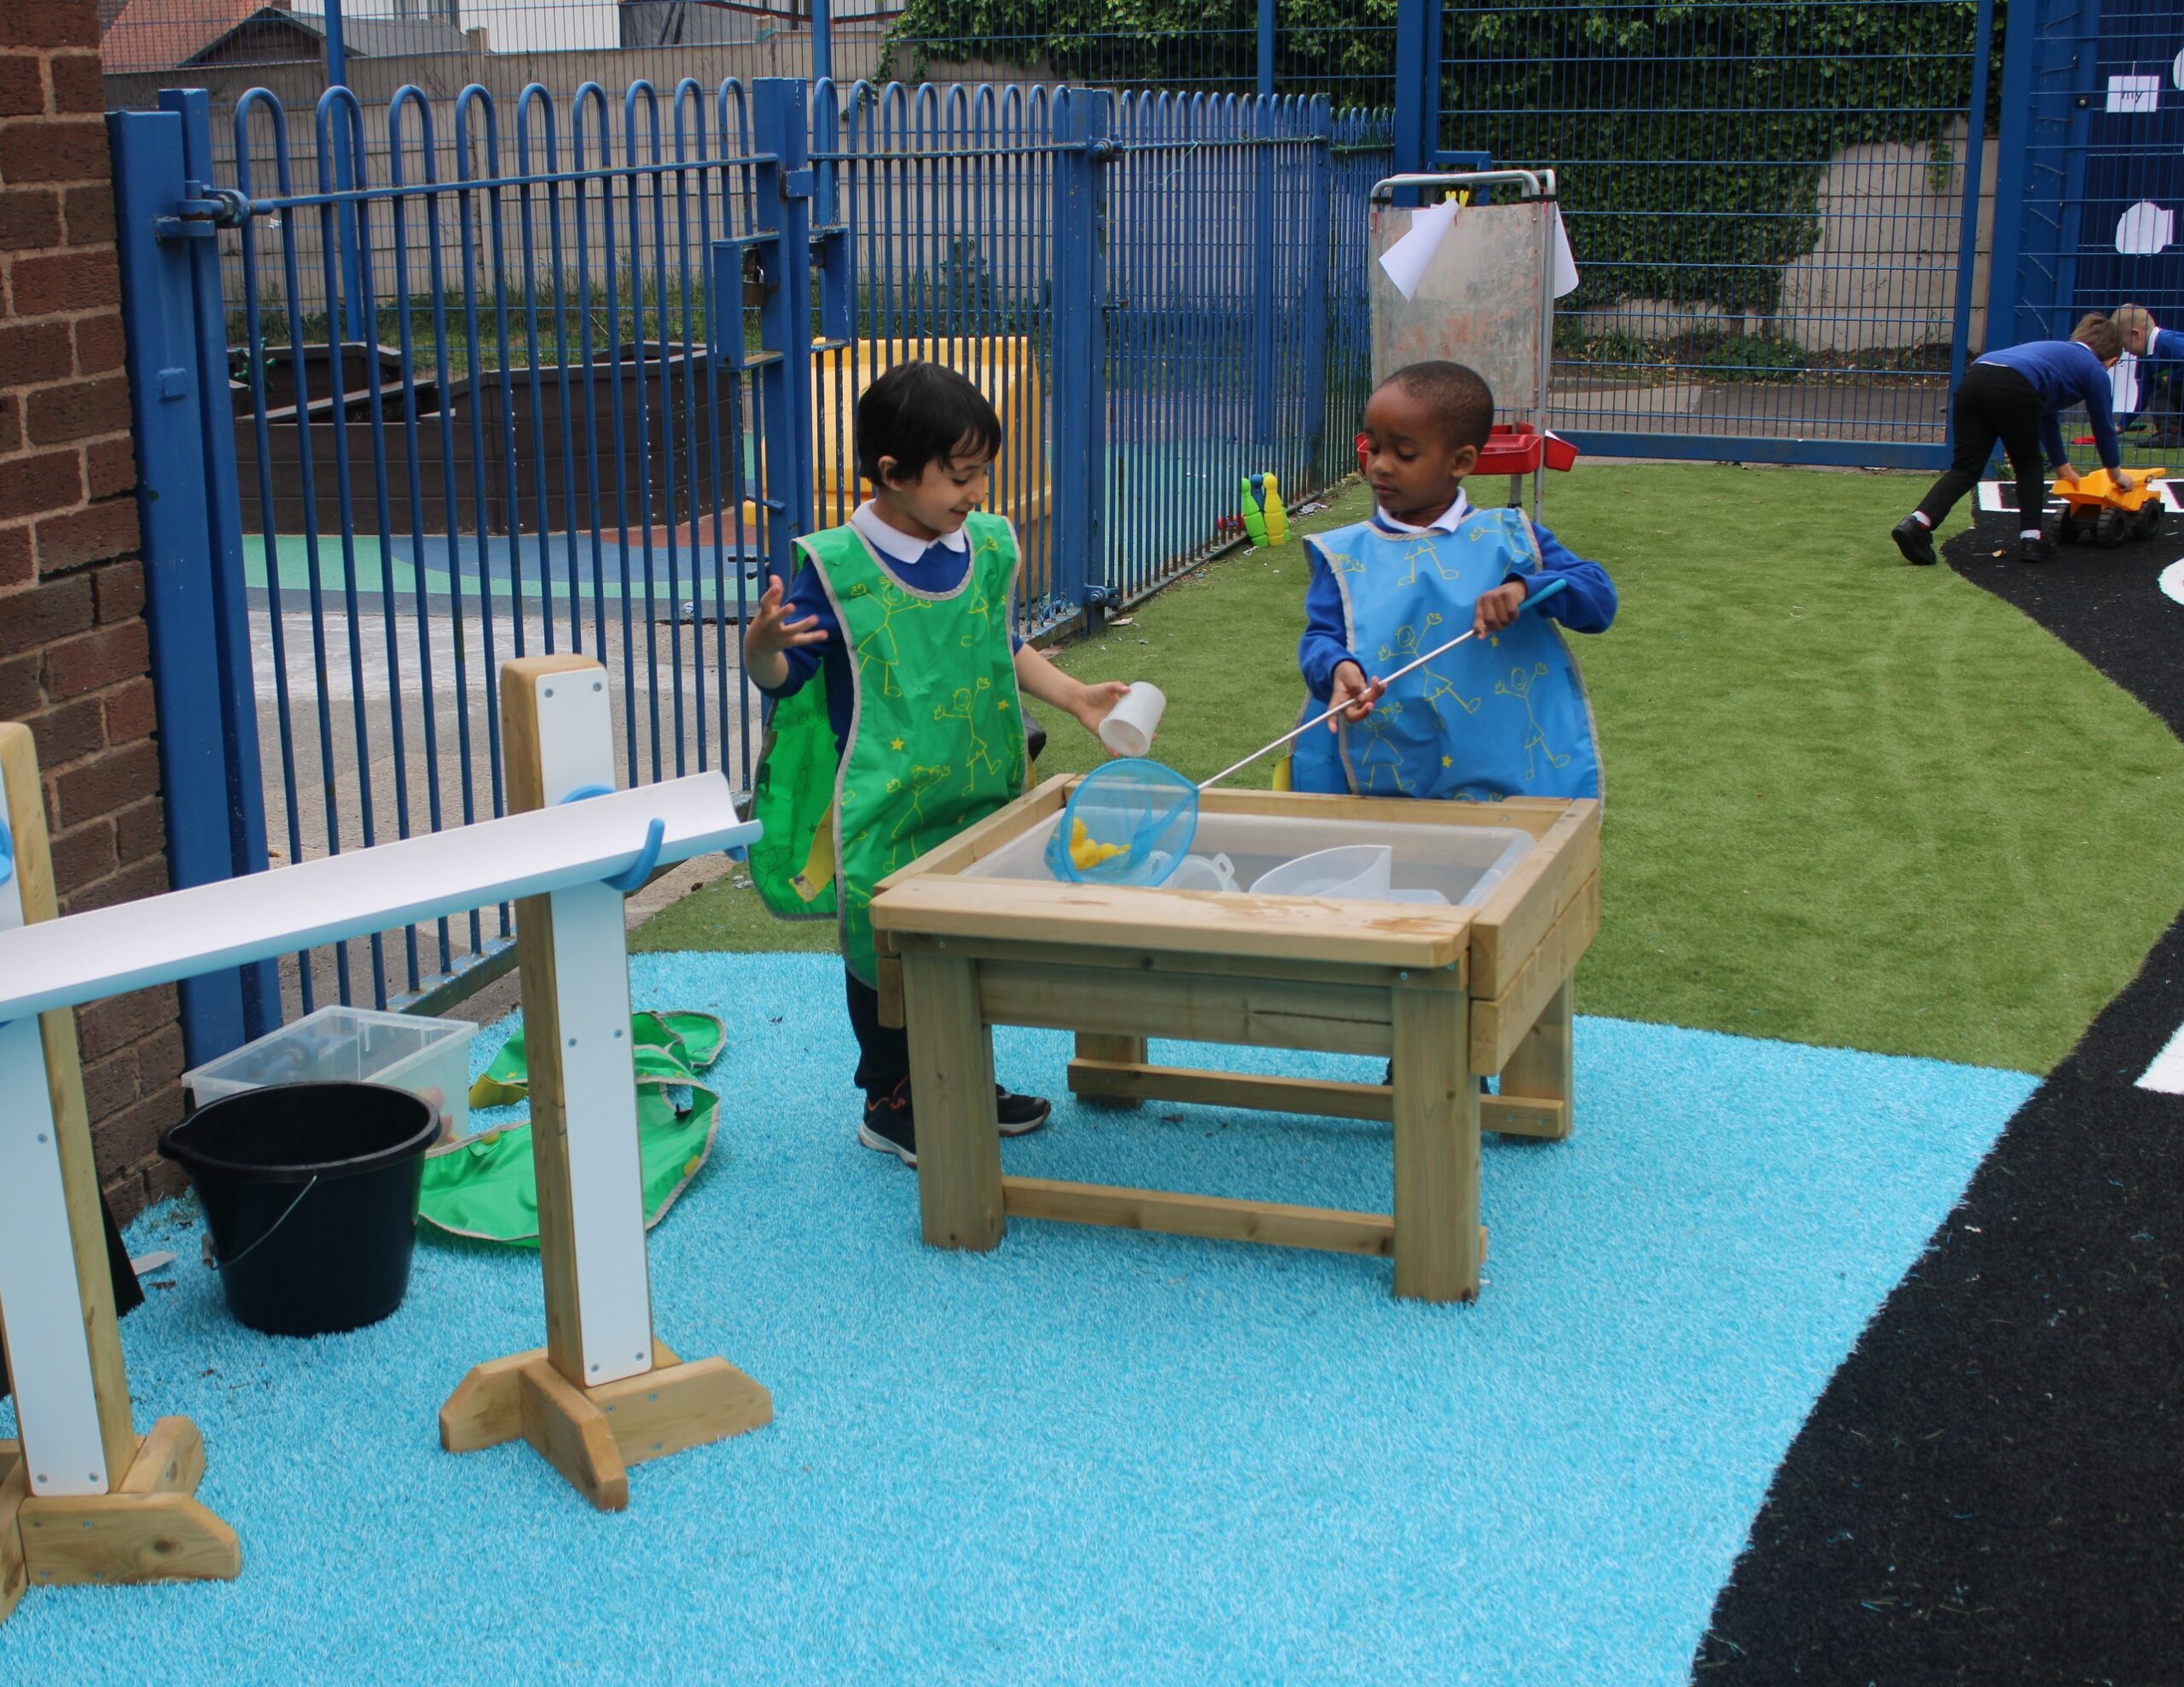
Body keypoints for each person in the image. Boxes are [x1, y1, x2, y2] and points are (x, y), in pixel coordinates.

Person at [743, 362, 1129, 1167]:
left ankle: (958, 1075)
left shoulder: (981, 547)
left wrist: (1077, 698)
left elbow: (998, 641)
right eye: (960, 475)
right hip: (887, 804)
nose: (978, 491)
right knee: (884, 953)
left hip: (975, 790)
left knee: (965, 944)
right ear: (890, 472)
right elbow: (794, 674)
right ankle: (892, 1097)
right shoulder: (837, 566)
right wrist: (763, 652)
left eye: (981, 470)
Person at [1291, 360, 1616, 809]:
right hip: (1383, 770)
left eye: (1403, 454)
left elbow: (1598, 598)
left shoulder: (1512, 539)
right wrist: (1335, 668)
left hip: (1503, 774)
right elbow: (1320, 638)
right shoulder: (1344, 554)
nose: (1380, 466)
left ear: (1461, 461)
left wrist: (1526, 589)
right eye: (1373, 446)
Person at [1891, 313, 2133, 568]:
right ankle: (2032, 538)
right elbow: (2103, 427)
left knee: (1966, 468)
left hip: (1975, 379)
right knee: (2028, 464)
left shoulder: (2055, 353)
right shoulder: (2094, 369)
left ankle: (1917, 523)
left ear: (2079, 338)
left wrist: (2062, 466)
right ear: (2113, 360)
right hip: (2013, 387)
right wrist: (2116, 475)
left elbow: (2046, 416)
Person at [2111, 303, 2184, 449]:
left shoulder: (2166, 342)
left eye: (2124, 345)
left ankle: (2170, 435)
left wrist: (2173, 378)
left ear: (2136, 334)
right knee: (2156, 394)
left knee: (2160, 395)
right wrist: (2122, 425)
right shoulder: (2147, 356)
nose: (2125, 350)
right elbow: (2145, 393)